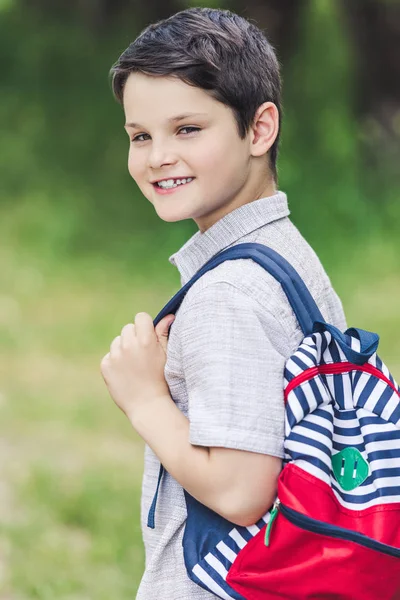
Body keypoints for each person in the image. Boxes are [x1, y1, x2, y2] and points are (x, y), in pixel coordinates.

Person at [100, 7, 347, 599]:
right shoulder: (288, 254)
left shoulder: (228, 294)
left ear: (260, 129)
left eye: (187, 129)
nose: (158, 155)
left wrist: (144, 400)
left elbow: (241, 491)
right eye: (141, 135)